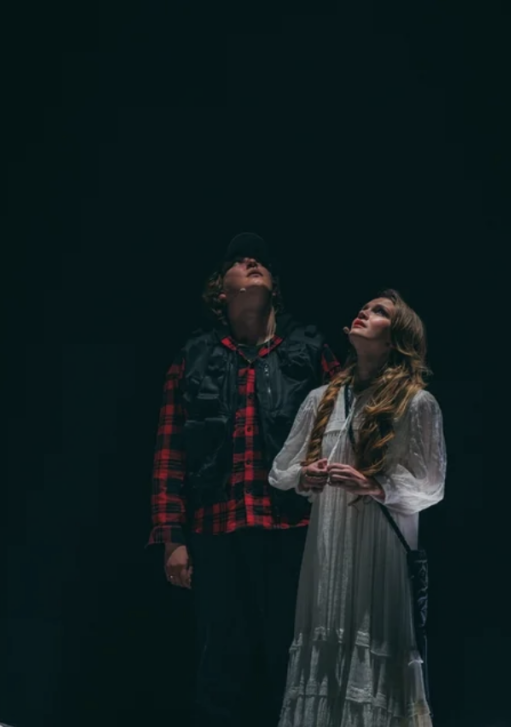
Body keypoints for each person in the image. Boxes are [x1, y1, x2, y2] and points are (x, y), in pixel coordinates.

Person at [147, 233, 341, 727]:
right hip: (217, 530)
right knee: (221, 664)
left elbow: (343, 435)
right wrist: (172, 537)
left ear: (275, 287)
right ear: (221, 291)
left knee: (292, 657)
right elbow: (170, 452)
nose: (252, 262)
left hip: (293, 529)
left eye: (260, 262)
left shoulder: (310, 350)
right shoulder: (193, 357)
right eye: (238, 261)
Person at [268, 289, 446, 727]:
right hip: (330, 552)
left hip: (380, 551)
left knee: (375, 650)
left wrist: (375, 485)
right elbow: (281, 469)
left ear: (395, 338)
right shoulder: (322, 399)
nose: (364, 311)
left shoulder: (416, 403)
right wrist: (306, 476)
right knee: (326, 652)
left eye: (379, 311)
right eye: (364, 307)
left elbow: (431, 485)